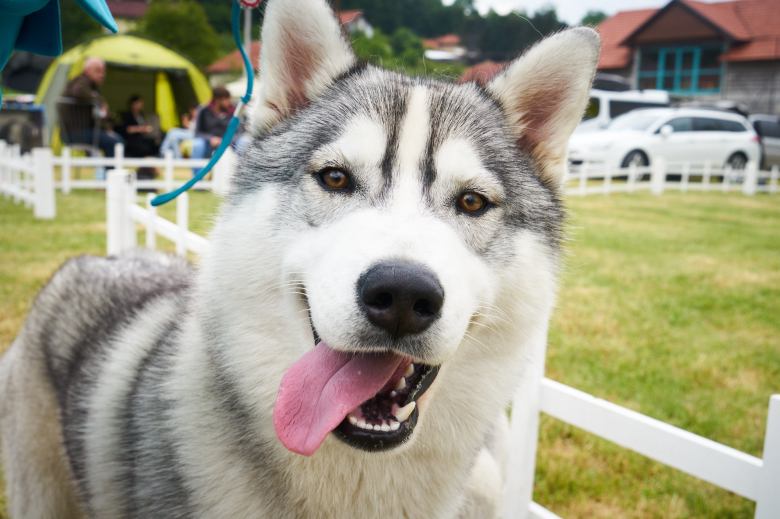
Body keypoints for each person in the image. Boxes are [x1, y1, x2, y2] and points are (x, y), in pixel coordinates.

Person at [62, 57, 123, 157]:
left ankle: (107, 170)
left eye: (103, 71)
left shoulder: (88, 85)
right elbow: (78, 91)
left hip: (79, 132)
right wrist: (99, 100)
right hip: (77, 133)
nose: (102, 75)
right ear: (87, 70)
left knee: (114, 138)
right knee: (115, 141)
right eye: (98, 71)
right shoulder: (82, 82)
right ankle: (111, 171)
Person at [192, 86, 234, 164]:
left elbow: (239, 132)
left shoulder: (234, 111)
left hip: (229, 143)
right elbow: (197, 133)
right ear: (217, 100)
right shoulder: (203, 111)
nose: (229, 102)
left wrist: (225, 140)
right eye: (226, 99)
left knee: (243, 141)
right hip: (208, 144)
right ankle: (198, 174)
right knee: (198, 144)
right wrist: (210, 138)